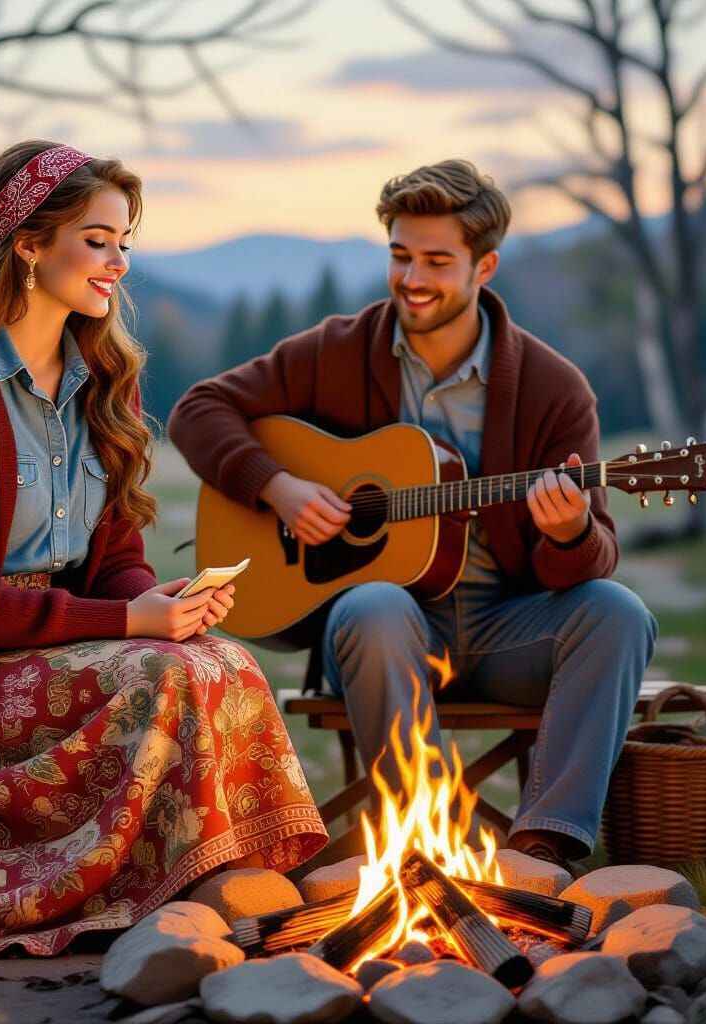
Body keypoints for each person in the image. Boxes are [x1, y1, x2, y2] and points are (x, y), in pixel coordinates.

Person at [0, 141, 327, 957]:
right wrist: (130, 622)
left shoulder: (102, 376)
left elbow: (115, 560)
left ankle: (230, 879)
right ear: (27, 243)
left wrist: (160, 600)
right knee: (162, 672)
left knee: (225, 659)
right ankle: (165, 896)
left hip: (67, 643)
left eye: (124, 243)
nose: (119, 265)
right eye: (98, 240)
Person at [168, 159, 657, 869]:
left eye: (436, 261)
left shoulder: (554, 389)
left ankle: (543, 847)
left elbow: (595, 553)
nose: (413, 279)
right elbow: (197, 409)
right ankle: (423, 845)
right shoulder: (337, 350)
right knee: (372, 603)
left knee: (619, 612)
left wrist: (569, 532)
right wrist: (278, 487)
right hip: (381, 636)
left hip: (506, 630)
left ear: (484, 266)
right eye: (400, 256)